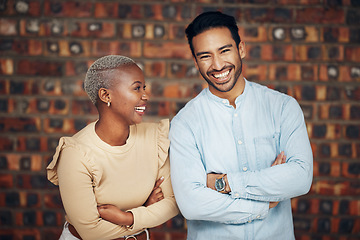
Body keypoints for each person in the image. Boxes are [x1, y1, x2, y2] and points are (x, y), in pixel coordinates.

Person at [169, 11, 313, 239]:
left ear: (241, 49)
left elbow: (301, 177)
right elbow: (192, 203)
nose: (217, 65)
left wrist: (224, 183)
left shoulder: (283, 107)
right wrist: (265, 202)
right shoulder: (184, 123)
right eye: (205, 56)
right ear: (195, 61)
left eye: (224, 50)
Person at [47, 55, 179, 240]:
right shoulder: (76, 154)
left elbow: (172, 202)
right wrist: (145, 214)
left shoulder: (154, 137)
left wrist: (128, 217)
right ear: (105, 95)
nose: (145, 96)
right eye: (137, 88)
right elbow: (91, 231)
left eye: (144, 88)